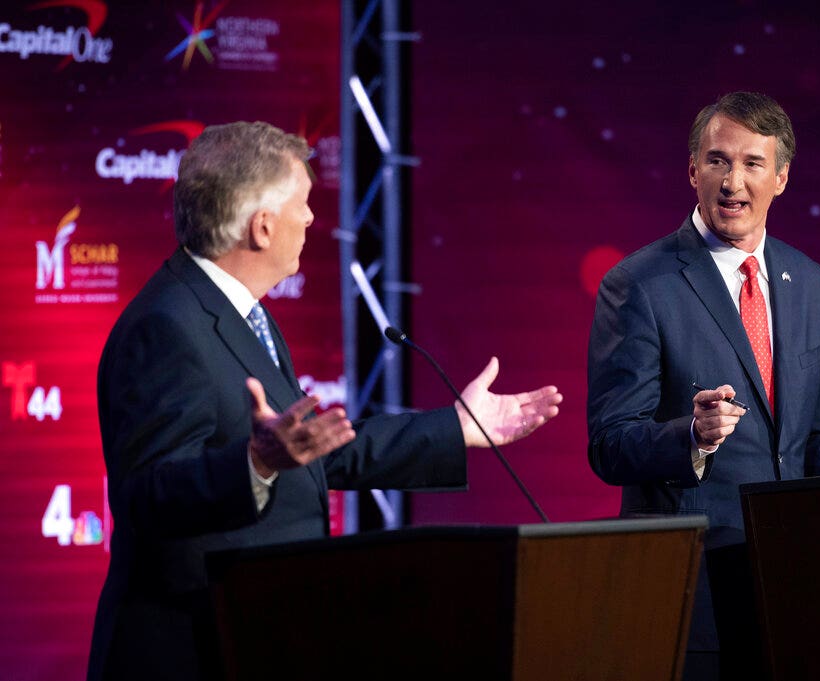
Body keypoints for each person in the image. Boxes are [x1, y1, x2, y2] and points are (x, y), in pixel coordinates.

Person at [87, 121, 563, 681]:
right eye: (303, 203)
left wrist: (453, 427)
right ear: (262, 227)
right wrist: (256, 463)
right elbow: (146, 495)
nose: (312, 218)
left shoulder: (244, 314)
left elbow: (318, 452)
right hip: (188, 650)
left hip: (255, 637)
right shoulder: (167, 326)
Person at [587, 91, 820, 679]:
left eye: (753, 164)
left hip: (791, 587)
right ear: (692, 171)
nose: (733, 181)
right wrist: (692, 437)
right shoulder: (639, 284)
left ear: (781, 178)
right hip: (690, 588)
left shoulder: (810, 282)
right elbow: (609, 444)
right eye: (717, 161)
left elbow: (819, 434)